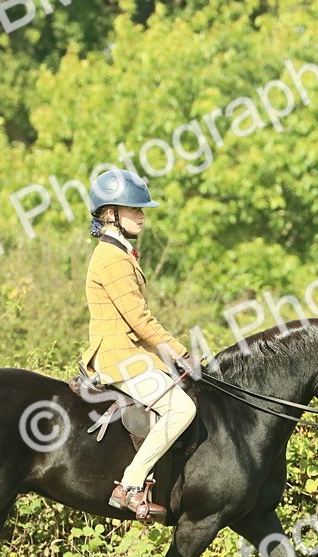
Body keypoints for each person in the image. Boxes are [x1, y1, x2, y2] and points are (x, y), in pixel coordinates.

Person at [78, 169, 200, 519]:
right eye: (135, 209)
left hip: (133, 355)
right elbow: (140, 320)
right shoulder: (112, 258)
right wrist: (182, 354)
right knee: (182, 409)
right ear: (110, 213)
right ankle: (130, 484)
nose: (143, 215)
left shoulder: (121, 253)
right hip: (119, 358)